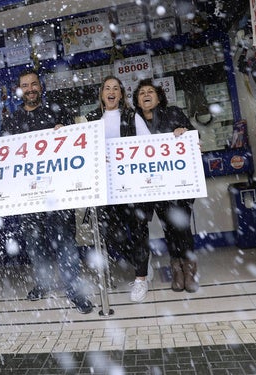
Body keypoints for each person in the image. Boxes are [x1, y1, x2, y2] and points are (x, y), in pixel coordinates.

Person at [2, 68, 94, 314]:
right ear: (19, 90)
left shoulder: (58, 111)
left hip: (59, 193)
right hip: (29, 197)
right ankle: (43, 284)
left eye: (34, 84)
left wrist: (66, 132)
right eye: (26, 85)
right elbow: (5, 158)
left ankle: (74, 289)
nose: (31, 88)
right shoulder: (12, 121)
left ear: (40, 87)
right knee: (34, 244)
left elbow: (76, 145)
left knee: (66, 242)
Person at [85, 75, 154, 303]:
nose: (111, 92)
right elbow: (82, 150)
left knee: (139, 230)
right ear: (102, 93)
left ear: (121, 94)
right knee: (113, 236)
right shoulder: (91, 119)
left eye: (116, 88)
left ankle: (141, 278)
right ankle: (140, 261)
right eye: (107, 88)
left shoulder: (131, 116)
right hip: (106, 188)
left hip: (132, 186)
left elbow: (148, 144)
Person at [131, 78, 199, 293]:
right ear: (138, 101)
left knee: (183, 227)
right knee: (168, 229)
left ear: (159, 97)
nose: (146, 95)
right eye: (141, 93)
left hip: (177, 184)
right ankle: (176, 268)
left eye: (150, 91)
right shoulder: (133, 122)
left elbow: (194, 138)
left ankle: (189, 271)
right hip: (153, 187)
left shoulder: (174, 113)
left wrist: (183, 131)